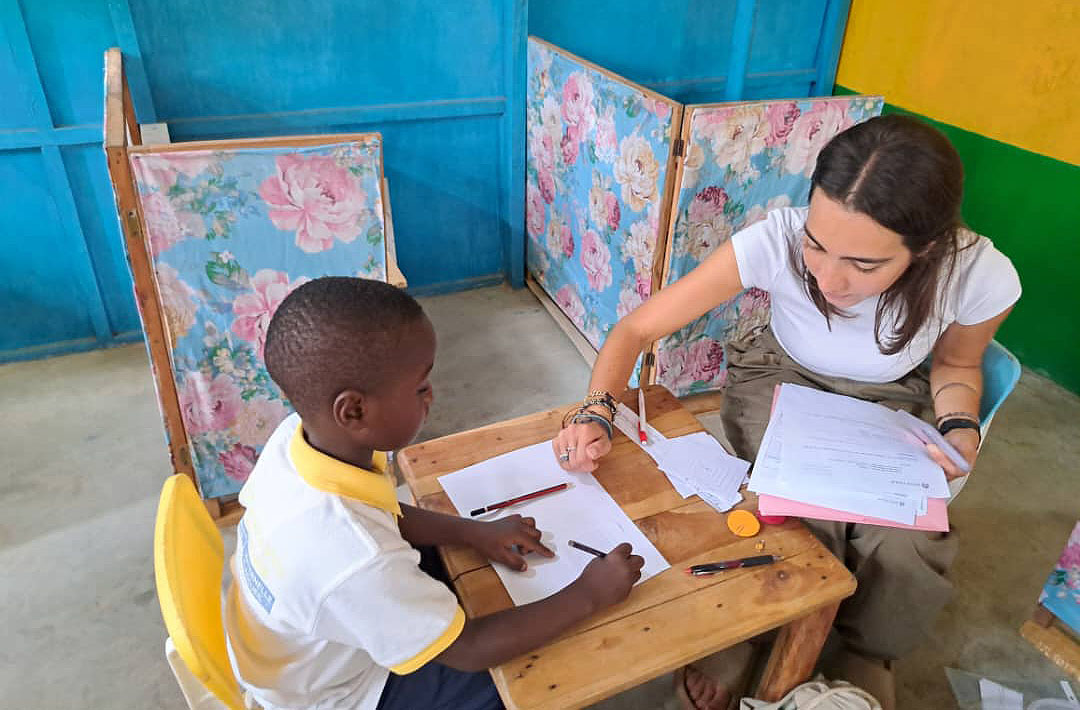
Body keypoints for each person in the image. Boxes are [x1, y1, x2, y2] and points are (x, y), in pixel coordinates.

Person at [551, 114, 1021, 709]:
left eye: (865, 265)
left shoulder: (977, 271)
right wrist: (594, 411)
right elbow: (638, 328)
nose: (827, 278)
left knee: (908, 537)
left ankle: (868, 650)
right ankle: (753, 627)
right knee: (792, 505)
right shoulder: (774, 239)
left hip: (890, 393)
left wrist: (959, 427)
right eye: (817, 246)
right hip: (781, 375)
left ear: (926, 247)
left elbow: (955, 367)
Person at [225, 277, 645, 710]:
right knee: (539, 675)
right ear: (354, 410)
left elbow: (380, 515)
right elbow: (468, 648)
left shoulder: (293, 444)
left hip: (295, 651)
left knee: (466, 580)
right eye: (420, 388)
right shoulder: (356, 557)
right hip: (343, 693)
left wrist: (472, 532)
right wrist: (589, 593)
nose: (433, 396)